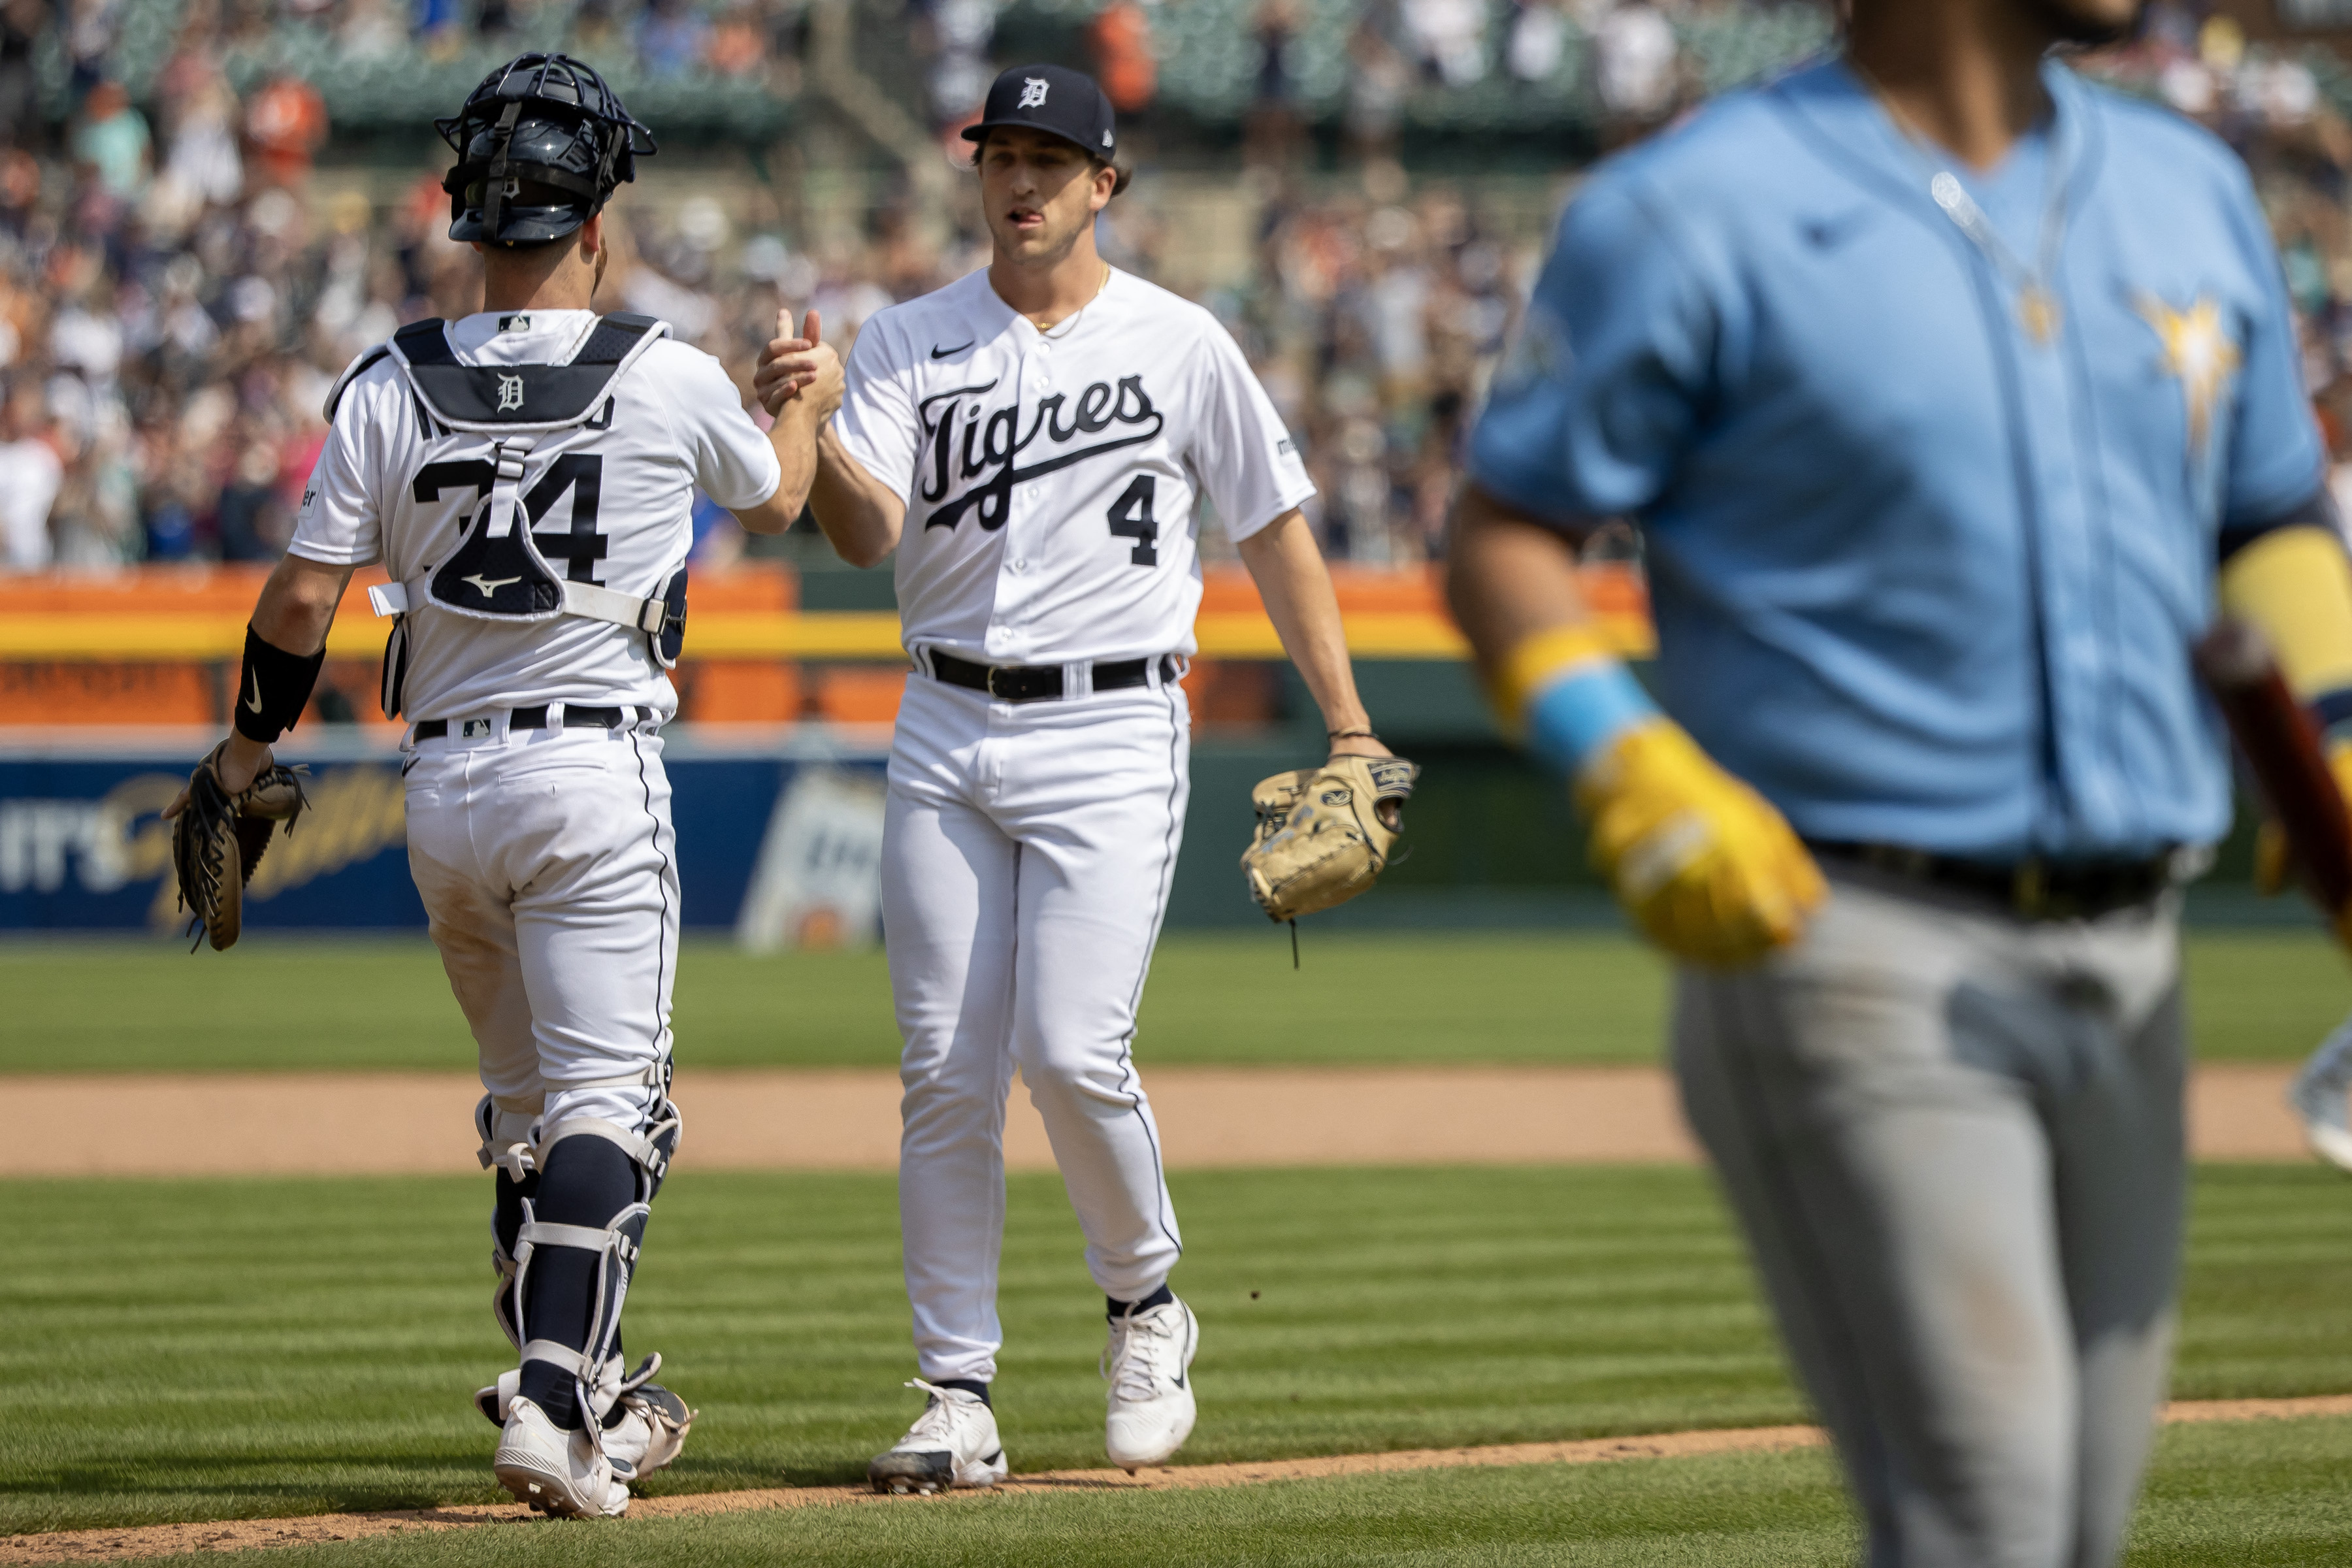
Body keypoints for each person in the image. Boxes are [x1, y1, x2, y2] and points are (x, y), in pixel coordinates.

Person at [1442, 1, 2352, 1563]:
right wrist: (1624, 758)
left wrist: (2335, 728)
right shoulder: (1692, 205)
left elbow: (2266, 514)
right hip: (1852, 935)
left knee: (2070, 1528)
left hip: (2138, 952)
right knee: (1985, 1523)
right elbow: (1504, 534)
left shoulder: (2184, 183)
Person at [166, 52, 841, 1519]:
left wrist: (243, 754)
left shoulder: (390, 379)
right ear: (597, 222)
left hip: (446, 789)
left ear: (467, 218)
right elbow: (786, 501)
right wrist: (806, 396)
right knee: (618, 1109)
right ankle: (550, 1403)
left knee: (527, 1112)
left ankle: (582, 1391)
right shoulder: (662, 369)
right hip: (591, 765)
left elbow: (299, 600)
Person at [769, 63, 1388, 1492]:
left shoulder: (1181, 343)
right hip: (942, 720)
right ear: (974, 174)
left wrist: (1350, 726)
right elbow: (863, 534)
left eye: (1055, 157)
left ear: (1107, 183)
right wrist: (811, 417)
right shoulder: (909, 339)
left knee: (1068, 1049)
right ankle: (955, 1391)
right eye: (1003, 154)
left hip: (1111, 730)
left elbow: (1278, 533)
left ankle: (1145, 1301)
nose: (1025, 179)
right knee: (943, 1072)